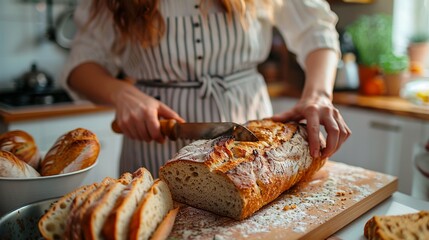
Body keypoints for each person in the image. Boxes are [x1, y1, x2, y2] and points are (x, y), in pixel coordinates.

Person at [61, 0, 351, 177]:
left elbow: (316, 29)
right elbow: (80, 64)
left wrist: (318, 94)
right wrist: (120, 93)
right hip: (154, 137)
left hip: (248, 137)